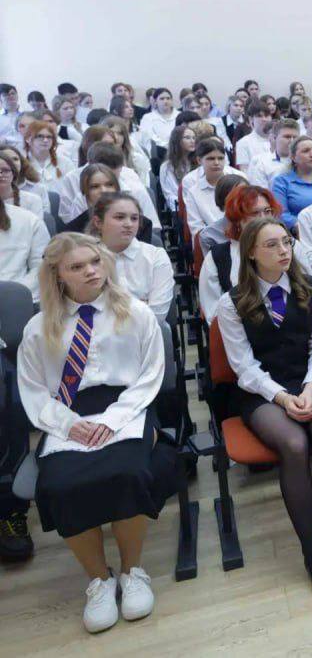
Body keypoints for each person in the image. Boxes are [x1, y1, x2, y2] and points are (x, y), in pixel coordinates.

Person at [16, 233, 177, 632]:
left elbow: (150, 376)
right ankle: (99, 580)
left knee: (128, 472)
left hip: (127, 407)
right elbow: (33, 390)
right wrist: (69, 424)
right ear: (58, 275)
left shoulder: (135, 313)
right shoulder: (38, 328)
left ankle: (132, 571)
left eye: (94, 262)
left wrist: (112, 420)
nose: (90, 271)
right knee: (60, 484)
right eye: (77, 266)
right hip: (68, 412)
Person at [215, 217, 312, 598]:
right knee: (294, 444)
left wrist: (308, 389)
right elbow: (244, 367)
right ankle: (311, 551)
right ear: (251, 253)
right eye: (272, 245)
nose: (283, 250)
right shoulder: (232, 303)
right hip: (263, 390)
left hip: (311, 378)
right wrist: (282, 397)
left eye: (286, 242)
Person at [198, 185, 282, 322]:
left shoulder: (290, 247)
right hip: (238, 329)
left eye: (267, 211)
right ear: (237, 219)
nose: (263, 219)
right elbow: (214, 314)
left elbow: (306, 294)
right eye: (255, 213)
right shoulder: (217, 257)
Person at [90, 194, 175, 320]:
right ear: (98, 222)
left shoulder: (156, 256)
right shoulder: (86, 259)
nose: (128, 224)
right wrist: (141, 306)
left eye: (134, 218)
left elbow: (157, 315)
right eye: (119, 217)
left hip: (148, 332)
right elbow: (87, 313)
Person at [181, 138, 242, 240]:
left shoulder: (239, 181)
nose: (217, 163)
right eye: (211, 159)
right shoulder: (194, 193)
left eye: (221, 158)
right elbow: (197, 229)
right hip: (211, 242)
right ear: (199, 160)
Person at [270, 135, 312, 229]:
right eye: (306, 151)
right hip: (299, 231)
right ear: (293, 157)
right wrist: (304, 226)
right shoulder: (282, 181)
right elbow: (281, 214)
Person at [158, 125, 196, 211]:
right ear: (177, 141)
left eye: (194, 138)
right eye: (187, 138)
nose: (192, 141)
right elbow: (171, 195)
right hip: (181, 209)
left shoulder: (198, 162)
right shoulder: (167, 167)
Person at [135, 87, 178, 155]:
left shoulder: (179, 115)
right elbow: (148, 136)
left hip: (178, 150)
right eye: (162, 99)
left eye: (168, 98)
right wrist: (166, 146)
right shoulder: (147, 117)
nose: (165, 101)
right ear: (155, 101)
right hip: (157, 152)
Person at [233, 101, 274, 172]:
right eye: (259, 116)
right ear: (251, 119)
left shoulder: (277, 139)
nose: (264, 119)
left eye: (267, 116)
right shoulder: (243, 143)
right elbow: (244, 171)